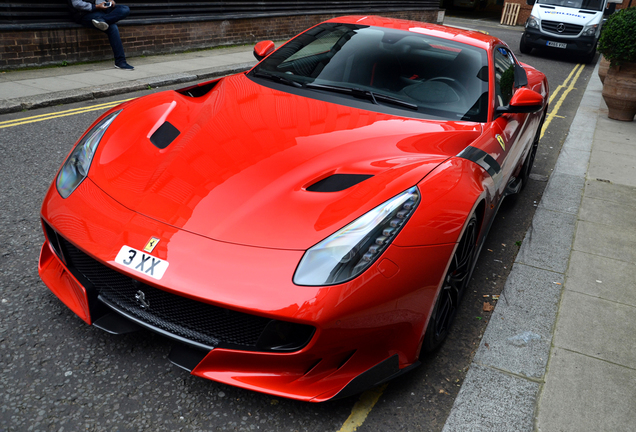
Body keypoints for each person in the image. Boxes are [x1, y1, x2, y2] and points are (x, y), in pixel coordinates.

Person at [68, 0, 134, 70]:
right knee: (112, 27)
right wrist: (96, 7)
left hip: (100, 11)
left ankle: (102, 19)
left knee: (124, 9)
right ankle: (120, 61)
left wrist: (109, 3)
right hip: (84, 14)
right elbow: (77, 4)